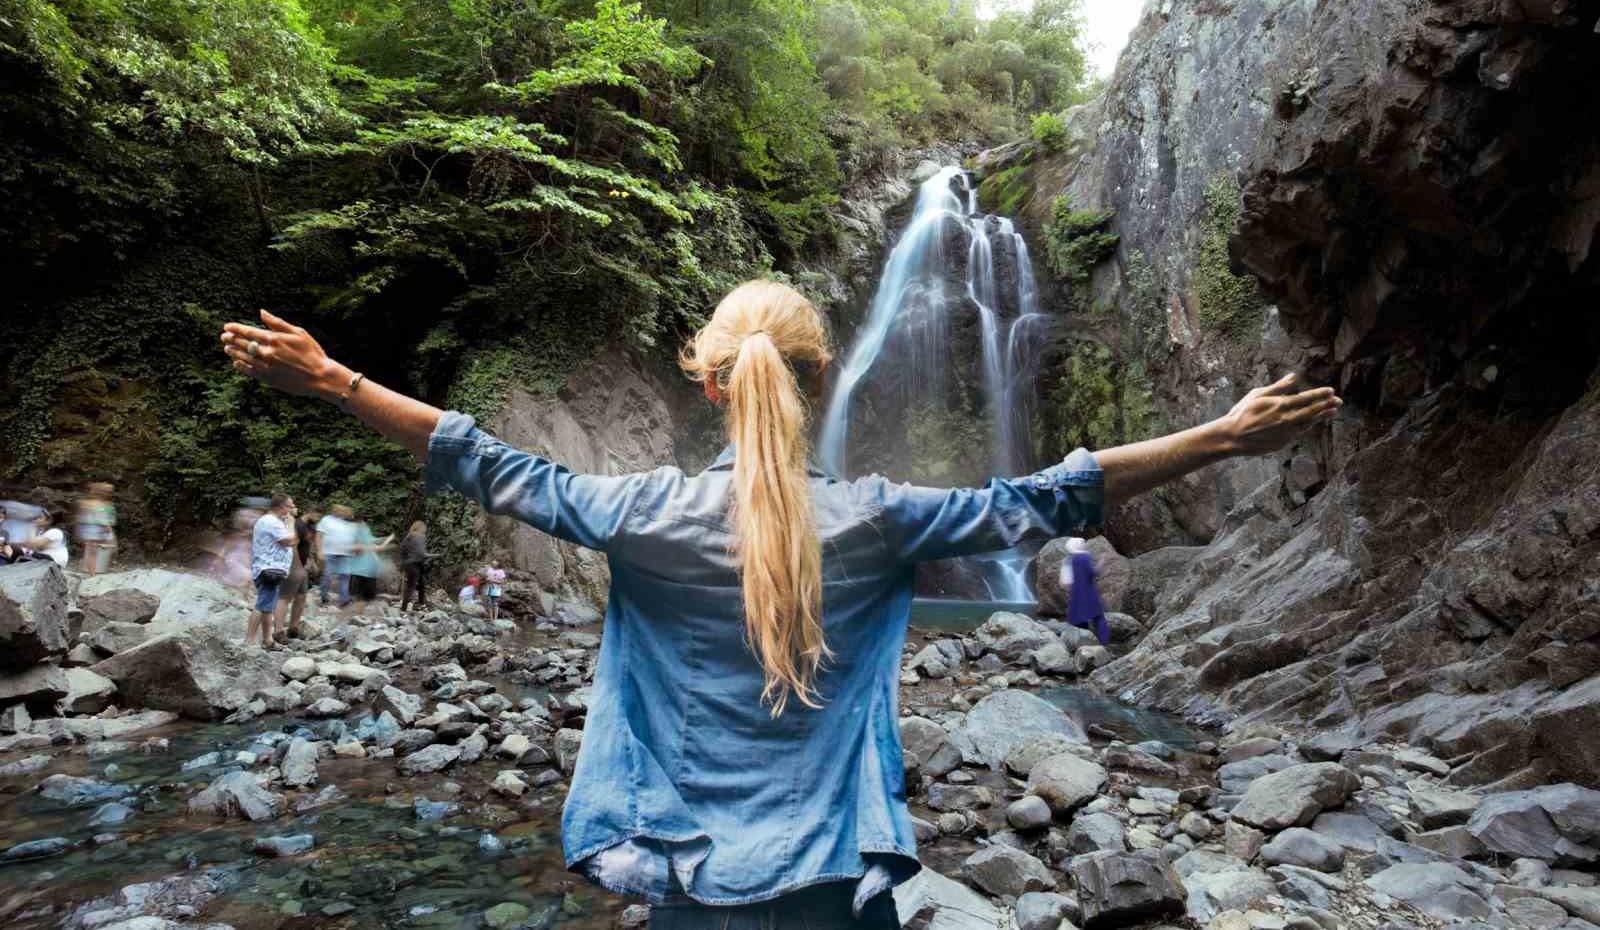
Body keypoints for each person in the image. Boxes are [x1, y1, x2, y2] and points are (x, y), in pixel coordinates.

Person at [221, 286, 1339, 924]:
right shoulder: (881, 517)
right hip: (837, 881)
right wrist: (1225, 435)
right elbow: (1046, 496)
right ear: (812, 382)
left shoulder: (638, 511)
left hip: (689, 876)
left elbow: (488, 463)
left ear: (708, 384)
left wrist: (331, 379)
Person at [248, 493, 297, 649]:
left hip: (267, 567)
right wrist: (290, 523)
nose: (292, 509)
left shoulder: (269, 520)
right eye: (290, 506)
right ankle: (249, 641)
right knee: (262, 605)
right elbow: (288, 540)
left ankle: (268, 640)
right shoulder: (271, 522)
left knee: (268, 606)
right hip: (269, 568)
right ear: (281, 506)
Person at [276, 506, 319, 639]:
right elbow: (293, 545)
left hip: (303, 566)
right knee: (285, 597)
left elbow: (307, 546)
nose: (319, 519)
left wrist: (311, 561)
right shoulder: (297, 524)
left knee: (301, 597)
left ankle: (293, 629)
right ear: (310, 512)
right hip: (293, 565)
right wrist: (298, 566)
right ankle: (278, 631)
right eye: (318, 515)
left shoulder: (309, 527)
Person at [316, 504, 356, 606]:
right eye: (341, 511)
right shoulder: (326, 520)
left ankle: (344, 600)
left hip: (345, 554)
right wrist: (319, 551)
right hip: (329, 553)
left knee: (345, 576)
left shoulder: (347, 524)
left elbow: (351, 539)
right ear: (335, 511)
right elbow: (319, 535)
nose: (343, 513)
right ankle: (324, 597)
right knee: (327, 576)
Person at [76, 482, 117, 575]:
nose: (109, 493)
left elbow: (81, 518)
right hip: (96, 530)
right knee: (93, 552)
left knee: (95, 551)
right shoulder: (96, 504)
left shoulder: (102, 504)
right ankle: (93, 573)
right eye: (107, 491)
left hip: (95, 530)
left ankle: (95, 571)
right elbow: (103, 520)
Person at [399, 520, 433, 613]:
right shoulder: (420, 537)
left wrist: (402, 564)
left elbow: (402, 552)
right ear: (421, 528)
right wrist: (435, 555)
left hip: (408, 565)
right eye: (424, 528)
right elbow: (422, 553)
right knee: (412, 586)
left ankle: (420, 604)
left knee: (421, 584)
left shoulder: (408, 537)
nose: (425, 530)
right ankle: (404, 608)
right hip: (416, 564)